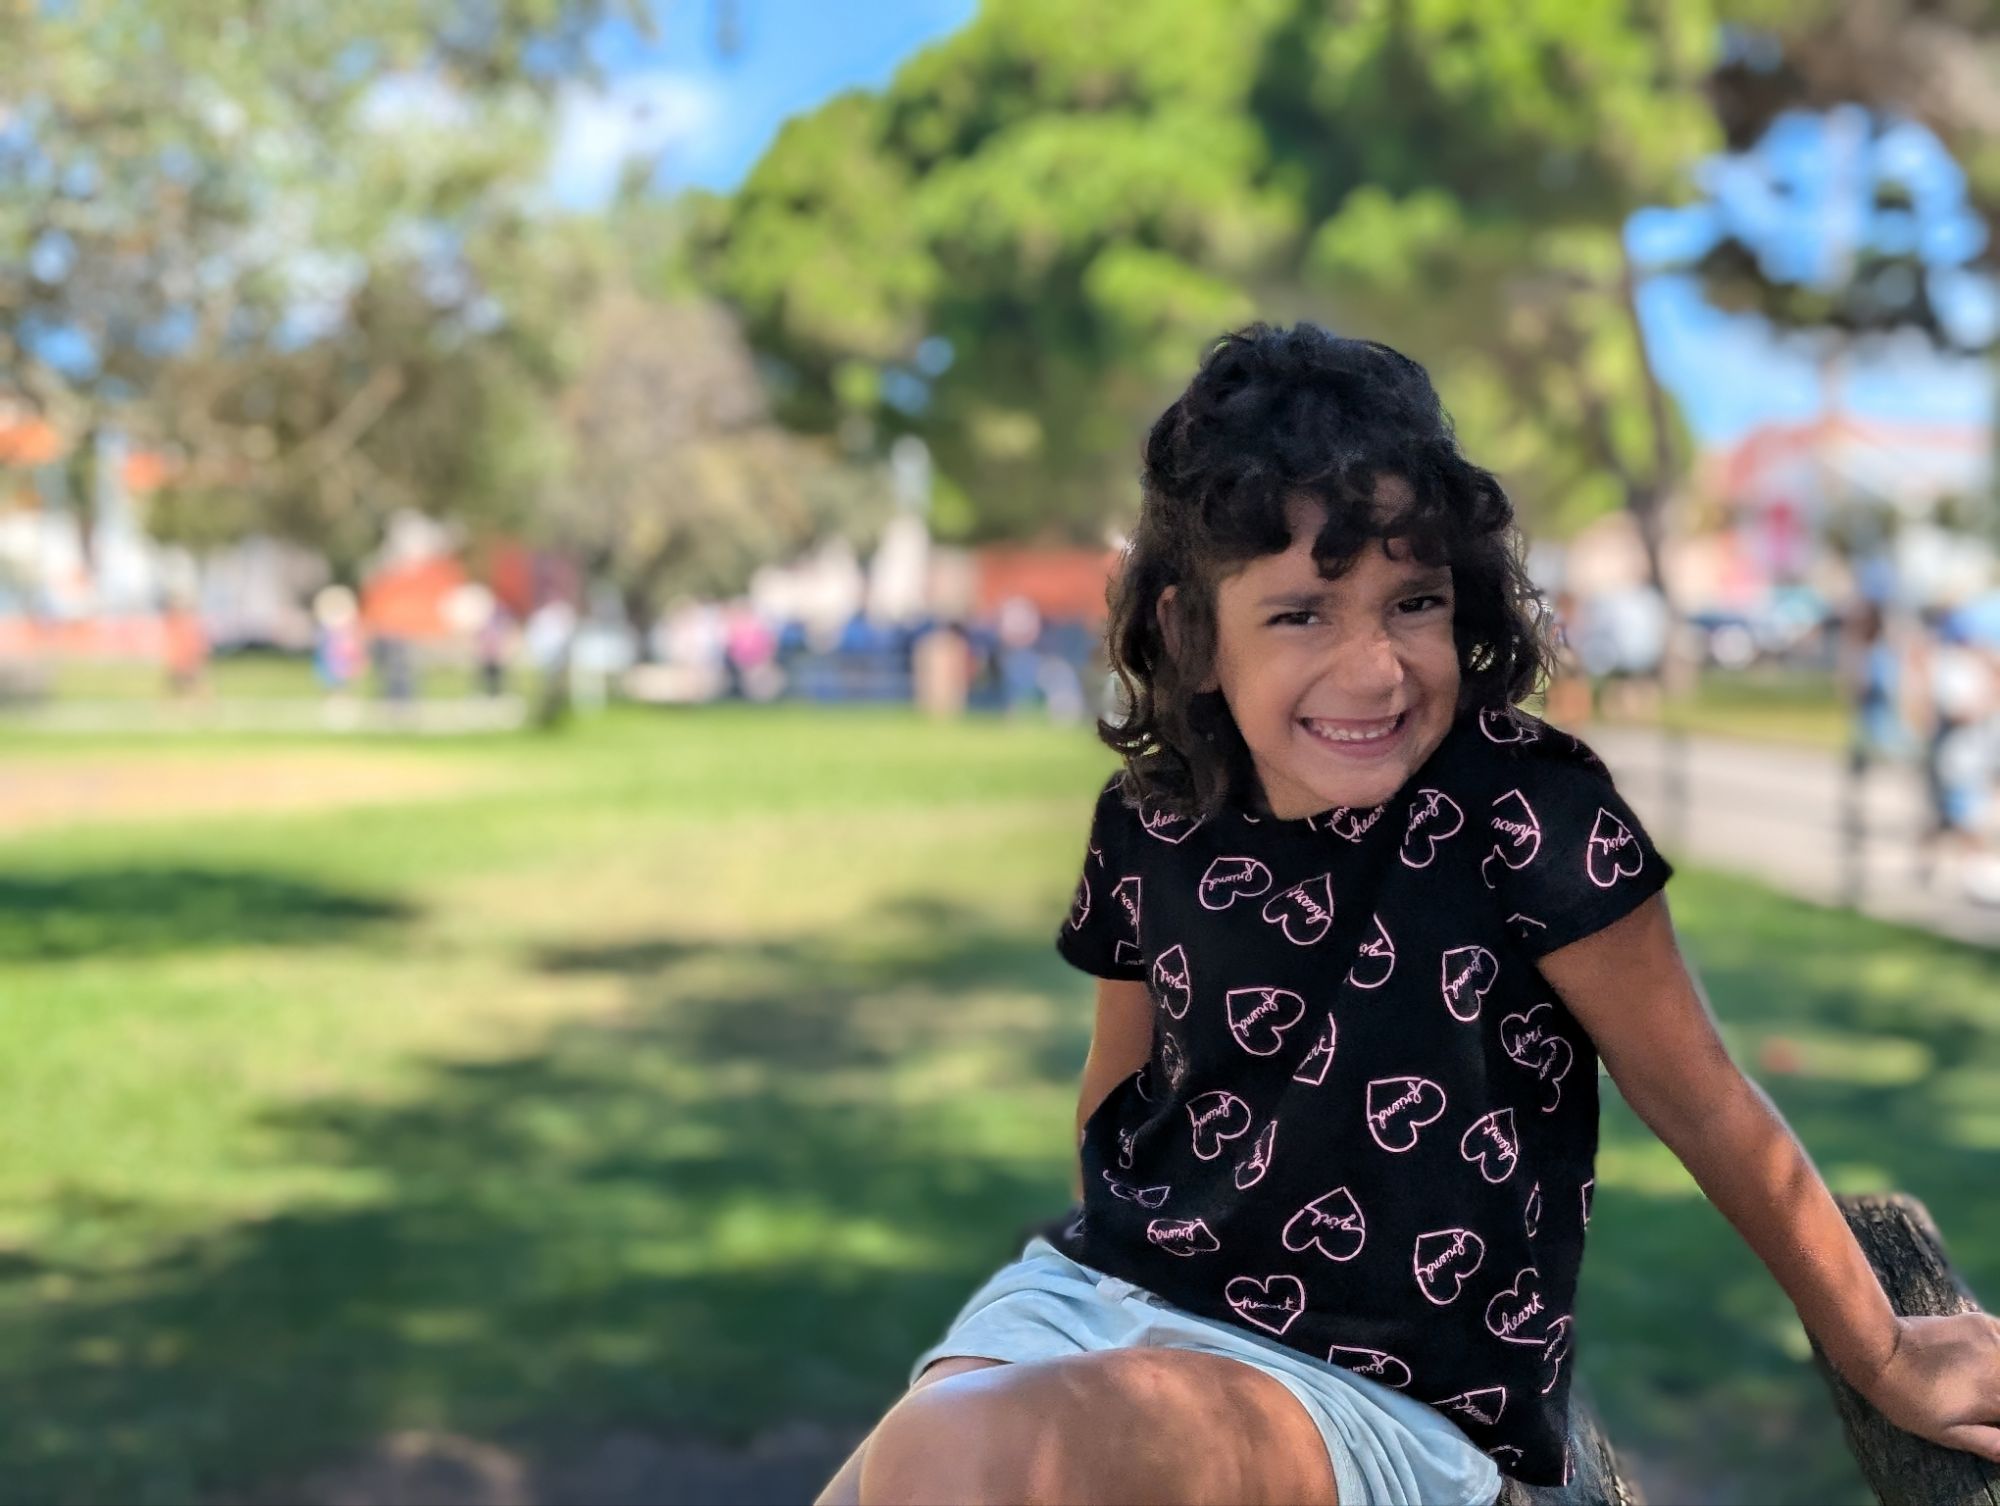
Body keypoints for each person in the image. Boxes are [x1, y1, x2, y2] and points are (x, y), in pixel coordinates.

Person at [816, 325, 2000, 1506]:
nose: (1374, 667)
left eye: (1411, 603)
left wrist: (1881, 1354)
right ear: (1189, 634)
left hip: (1375, 1391)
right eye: (1301, 615)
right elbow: (1117, 1087)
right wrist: (1108, 1341)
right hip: (1097, 1299)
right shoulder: (1151, 815)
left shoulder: (1527, 812)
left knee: (954, 1460)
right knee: (915, 1463)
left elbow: (1701, 1098)